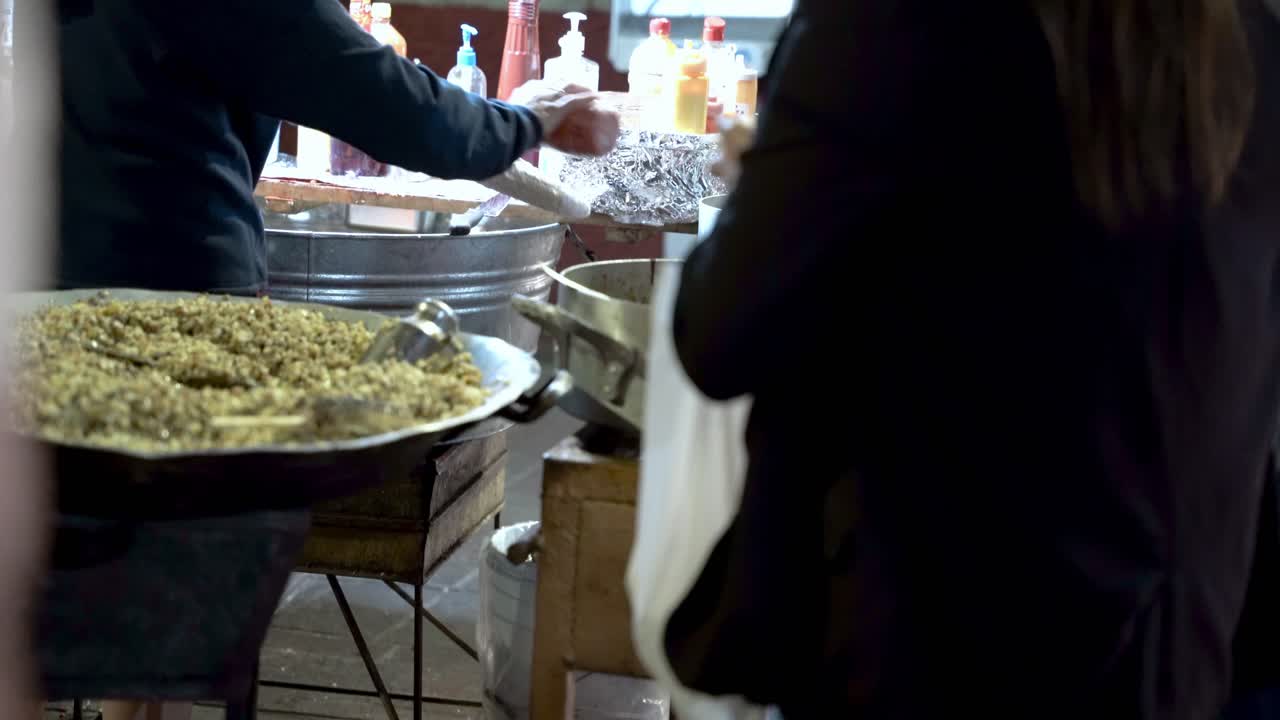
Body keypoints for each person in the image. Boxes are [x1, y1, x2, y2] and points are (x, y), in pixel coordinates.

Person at [668, 0, 1280, 717]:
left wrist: (766, 187)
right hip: (1176, 656)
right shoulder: (1245, 42)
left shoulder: (897, 26)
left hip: (939, 645)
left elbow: (721, 336)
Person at [48, 2, 618, 719]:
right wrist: (527, 119)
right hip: (180, 307)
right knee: (167, 596)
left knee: (85, 585)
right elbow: (399, 108)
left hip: (45, 287)